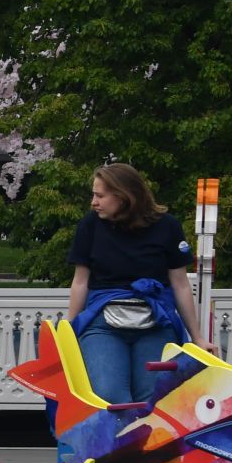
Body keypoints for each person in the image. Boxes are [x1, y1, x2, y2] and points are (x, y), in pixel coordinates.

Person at [66, 162, 201, 405]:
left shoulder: (168, 226)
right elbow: (80, 282)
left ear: (123, 197)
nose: (93, 202)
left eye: (99, 196)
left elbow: (180, 284)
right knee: (110, 396)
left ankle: (143, 443)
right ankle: (120, 442)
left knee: (154, 400)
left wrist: (197, 337)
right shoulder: (90, 225)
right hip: (103, 323)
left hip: (156, 322)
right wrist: (68, 329)